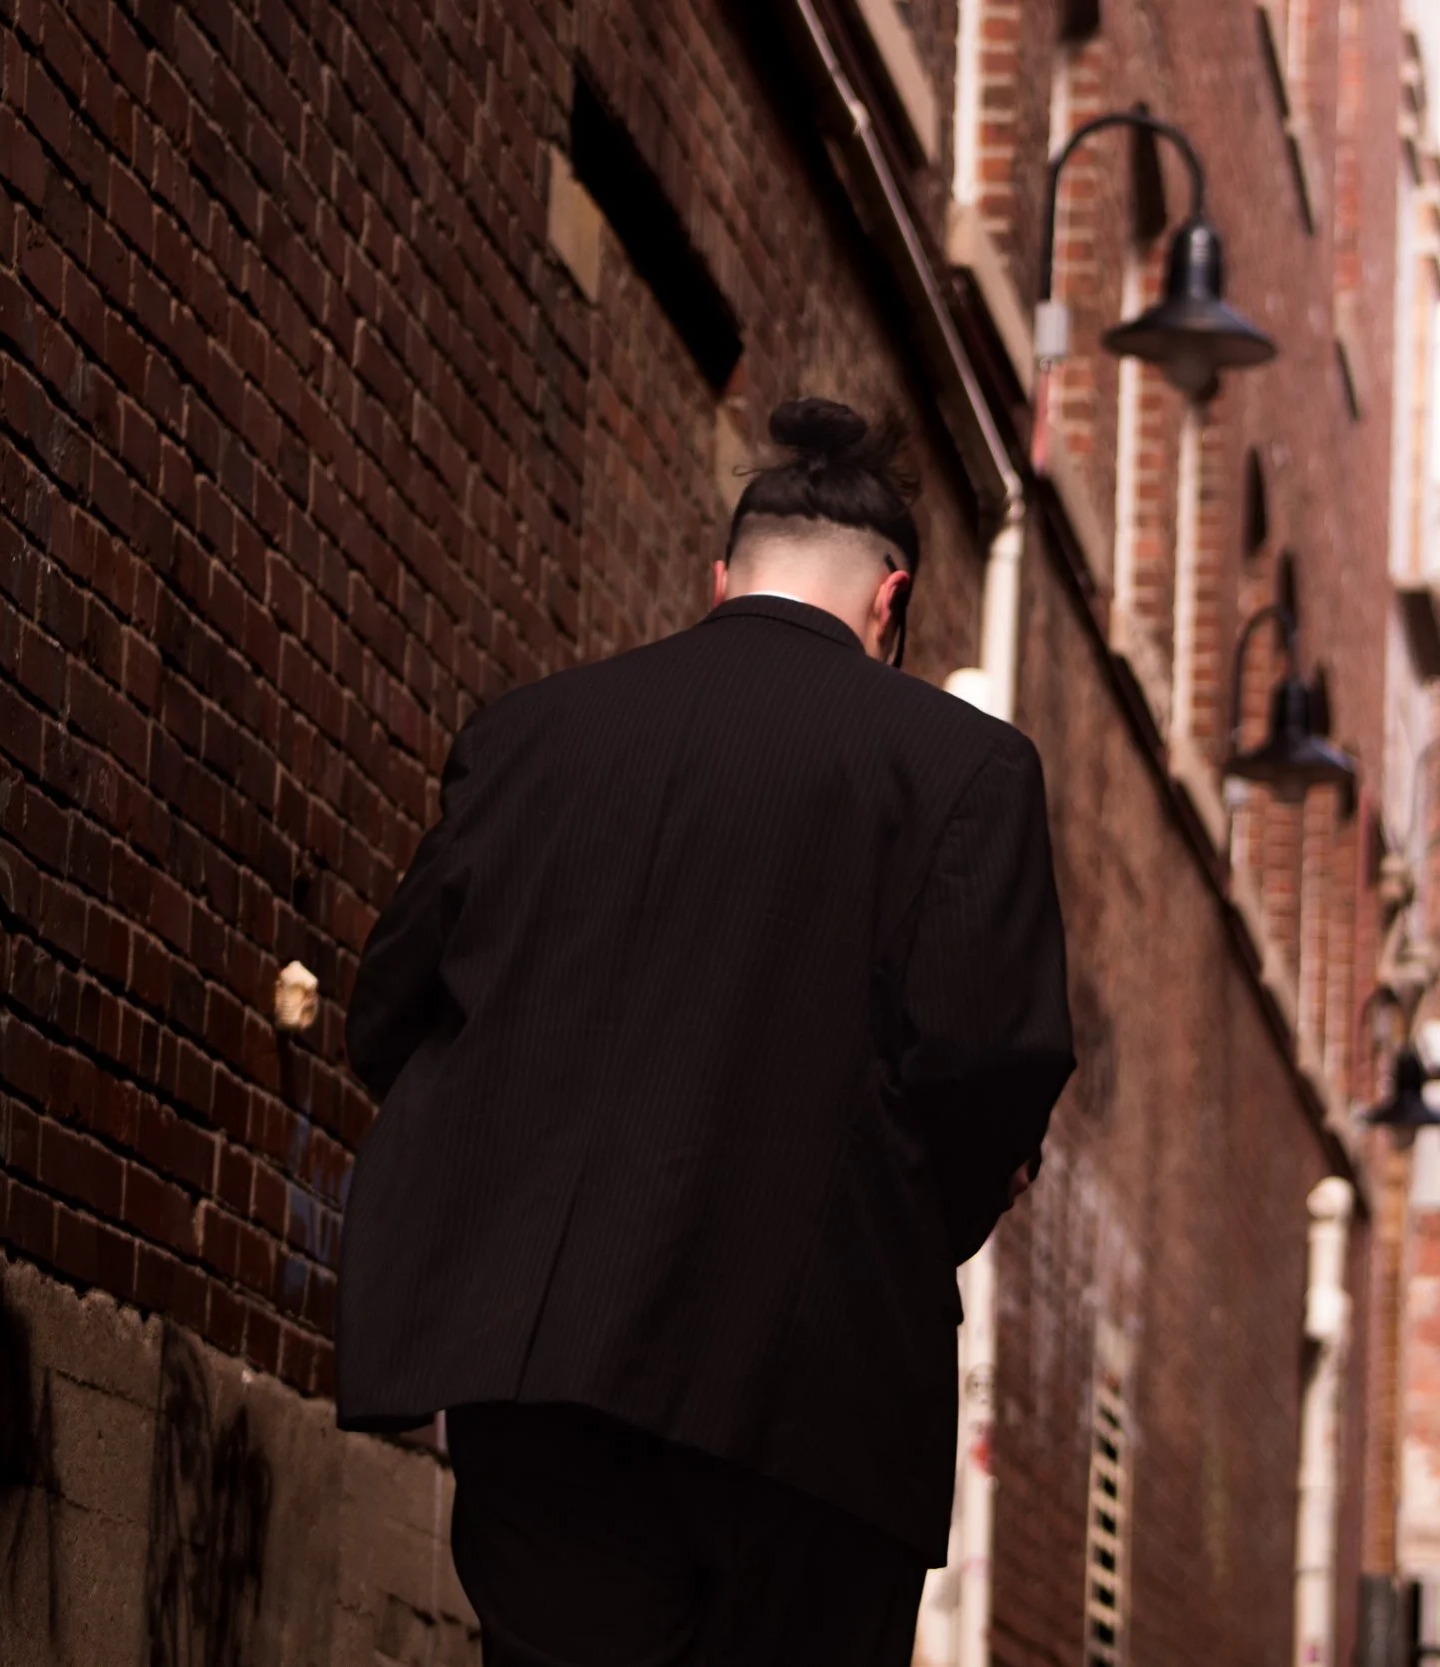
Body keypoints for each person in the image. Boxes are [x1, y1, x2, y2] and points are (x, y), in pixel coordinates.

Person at [335, 397, 1076, 1667]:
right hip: (816, 1398)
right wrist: (904, 1226)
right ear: (888, 601)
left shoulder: (528, 737)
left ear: (721, 576)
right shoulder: (965, 770)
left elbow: (388, 1010)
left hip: (542, 1371)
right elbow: (990, 1065)